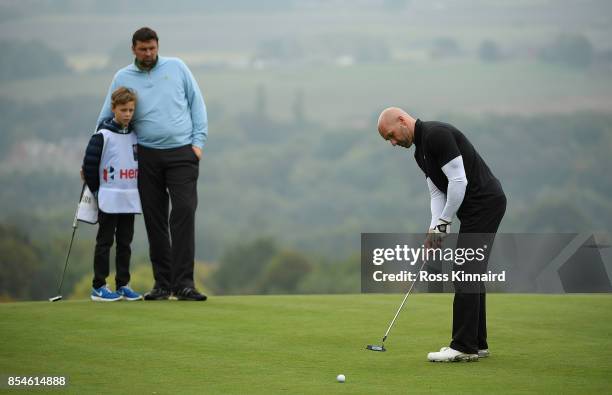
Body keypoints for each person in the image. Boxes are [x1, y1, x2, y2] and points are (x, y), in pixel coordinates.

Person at [377, 107, 506, 362]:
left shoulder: (437, 135)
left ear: (402, 121)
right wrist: (434, 228)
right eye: (388, 140)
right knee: (471, 270)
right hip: (473, 209)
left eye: (391, 135)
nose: (392, 143)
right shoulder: (420, 152)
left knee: (466, 269)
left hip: (485, 203)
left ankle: (464, 347)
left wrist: (444, 224)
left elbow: (459, 182)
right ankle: (477, 344)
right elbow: (438, 193)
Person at [97, 27, 208, 301]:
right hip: (145, 156)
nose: (148, 53)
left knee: (183, 211)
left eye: (152, 48)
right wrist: (94, 155)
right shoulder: (122, 77)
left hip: (182, 152)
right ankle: (163, 284)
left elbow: (197, 104)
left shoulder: (177, 67)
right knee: (155, 218)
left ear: (158, 46)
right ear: (133, 49)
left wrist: (198, 144)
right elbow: (105, 118)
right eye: (143, 49)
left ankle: (184, 284)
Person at [82, 87, 143, 302]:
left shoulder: (135, 134)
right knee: (104, 242)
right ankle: (99, 286)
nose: (127, 114)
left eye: (131, 110)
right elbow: (89, 166)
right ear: (113, 109)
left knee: (125, 243)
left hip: (129, 198)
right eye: (123, 109)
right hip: (108, 198)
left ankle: (123, 284)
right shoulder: (102, 135)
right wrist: (97, 191)